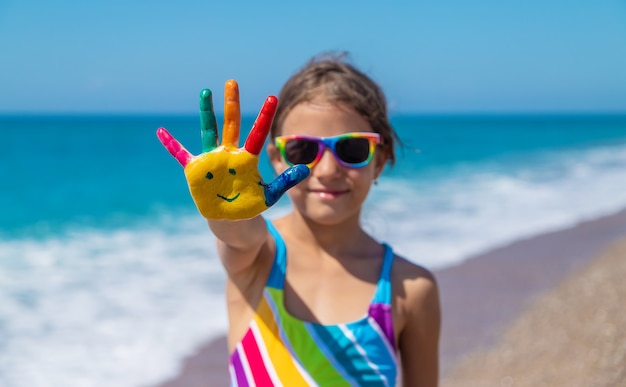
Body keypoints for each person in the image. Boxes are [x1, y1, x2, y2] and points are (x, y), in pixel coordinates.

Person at [159, 53, 441, 386]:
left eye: (352, 149)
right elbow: (238, 235)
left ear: (380, 161)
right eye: (303, 151)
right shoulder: (258, 259)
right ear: (276, 159)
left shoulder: (410, 290)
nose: (327, 170)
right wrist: (226, 203)